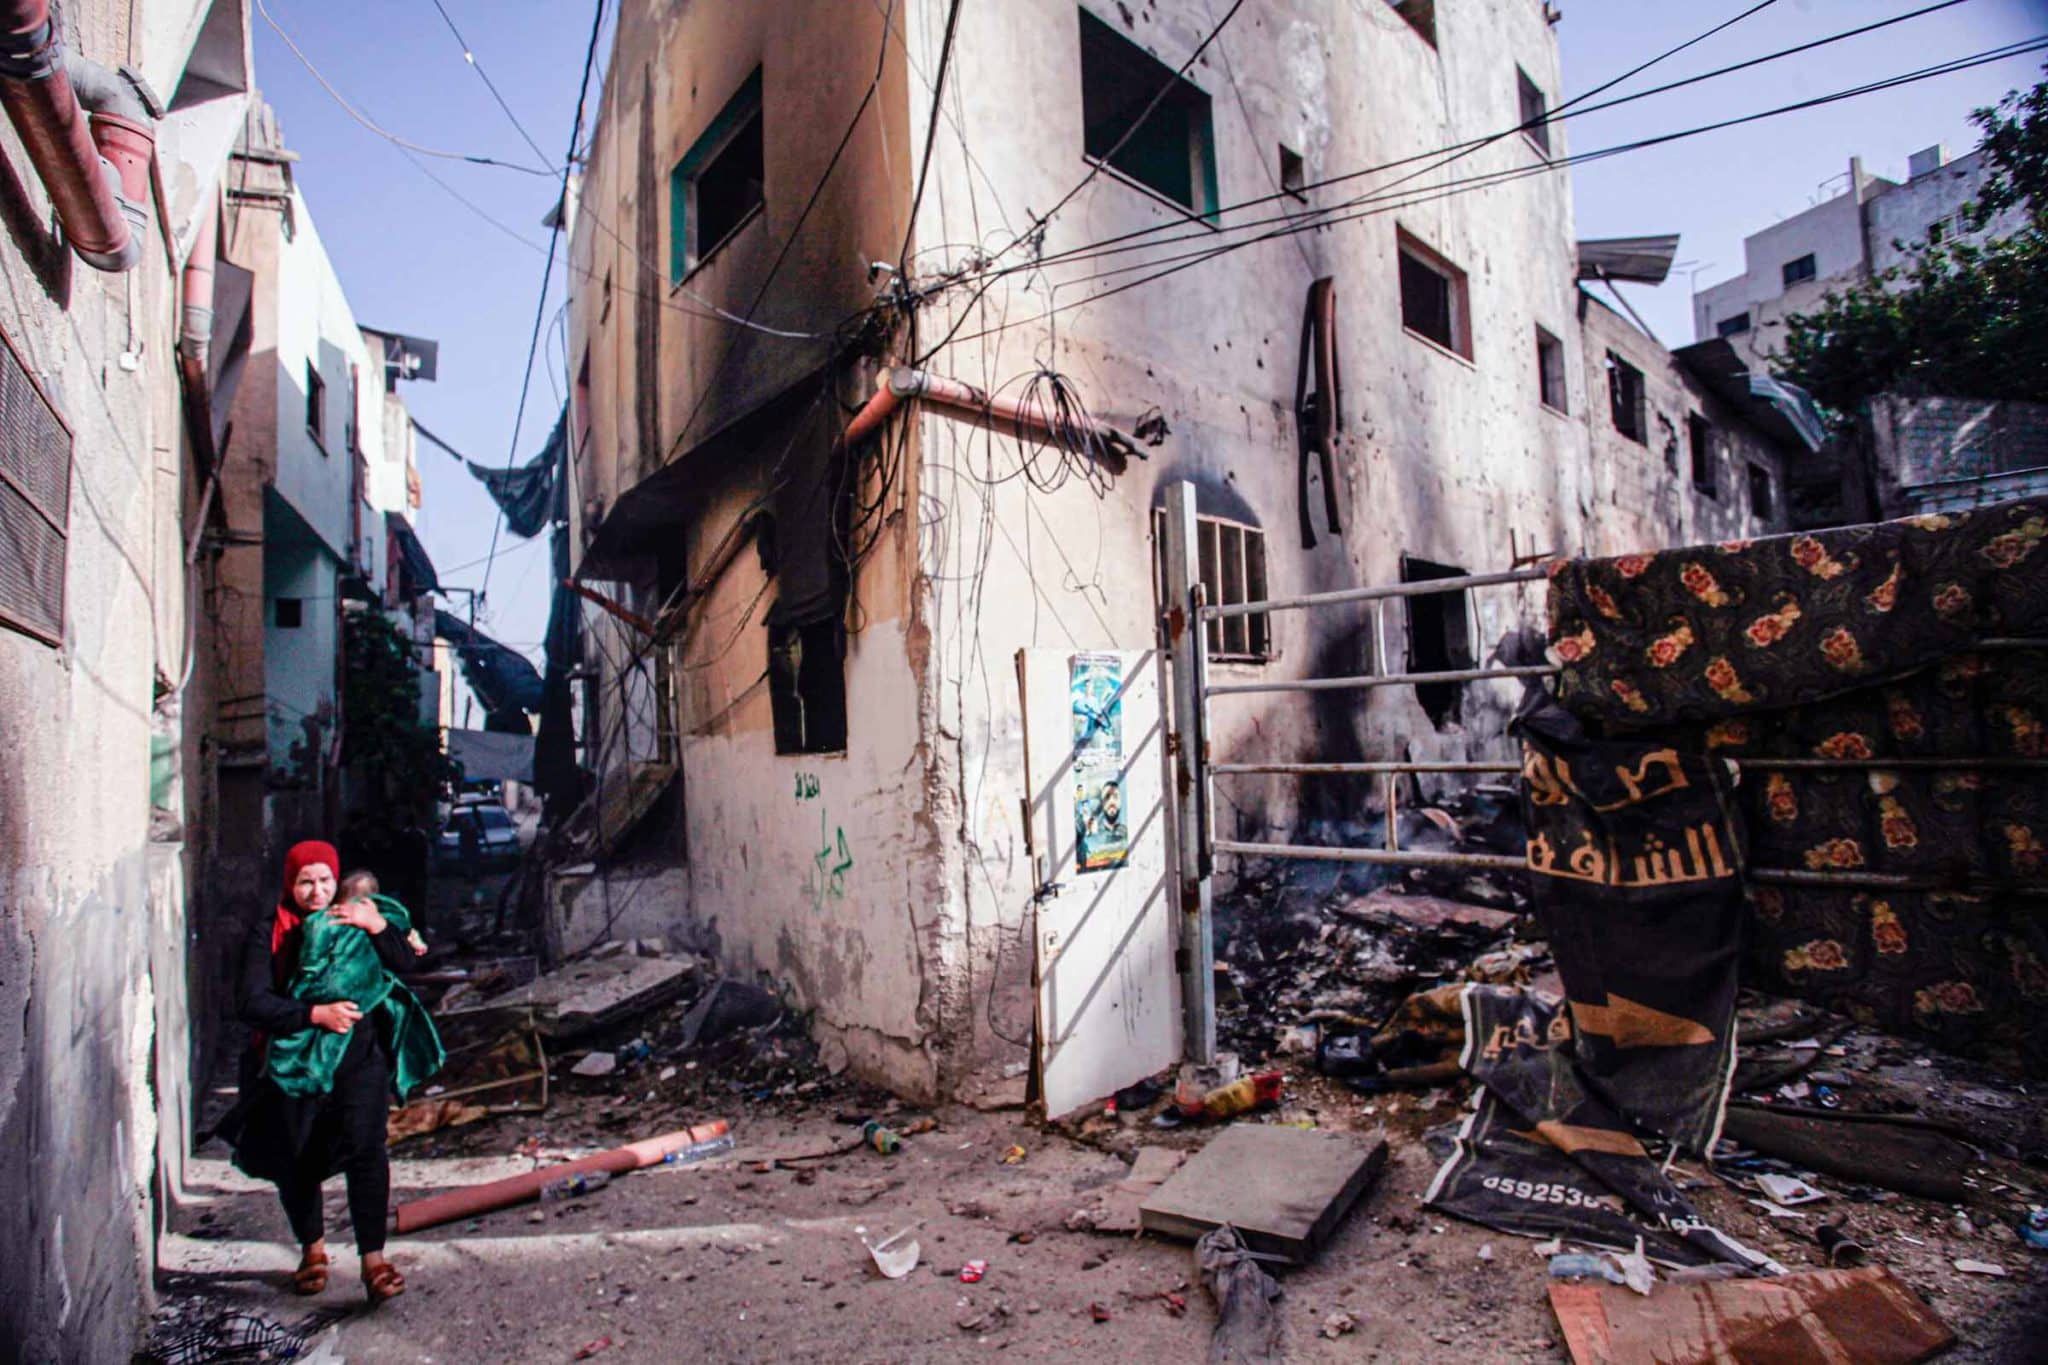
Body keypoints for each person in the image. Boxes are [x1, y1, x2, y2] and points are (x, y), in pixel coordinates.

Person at [216, 840, 441, 1304]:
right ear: (290, 884)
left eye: (324, 881)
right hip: (292, 1065)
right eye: (305, 882)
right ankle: (313, 1249)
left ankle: (373, 1261)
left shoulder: (355, 919)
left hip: (359, 1061)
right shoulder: (270, 933)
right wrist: (313, 1015)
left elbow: (405, 964)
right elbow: (250, 1002)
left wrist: (377, 925)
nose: (316, 892)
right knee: (296, 1158)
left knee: (367, 1151)